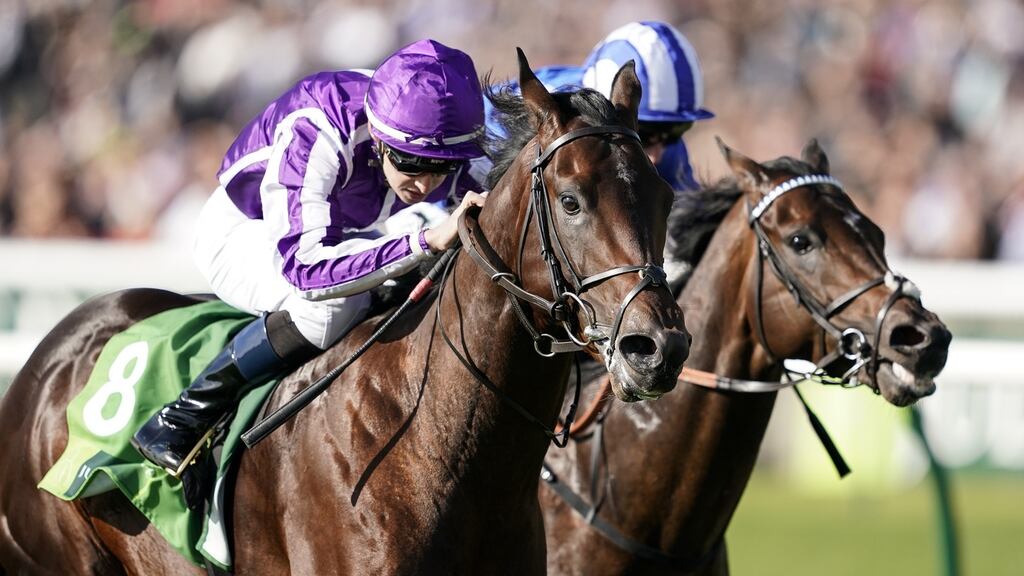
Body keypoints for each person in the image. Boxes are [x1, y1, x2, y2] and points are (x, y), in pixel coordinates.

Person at [131, 39, 488, 480]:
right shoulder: (318, 127)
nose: (427, 181)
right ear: (377, 135)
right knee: (333, 304)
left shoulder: (440, 137)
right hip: (252, 232)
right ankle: (186, 414)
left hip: (352, 235)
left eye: (443, 165)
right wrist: (424, 242)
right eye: (411, 162)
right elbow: (307, 270)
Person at [478, 21, 713, 191]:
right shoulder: (518, 119)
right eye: (645, 134)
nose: (656, 156)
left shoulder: (665, 145)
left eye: (676, 132)